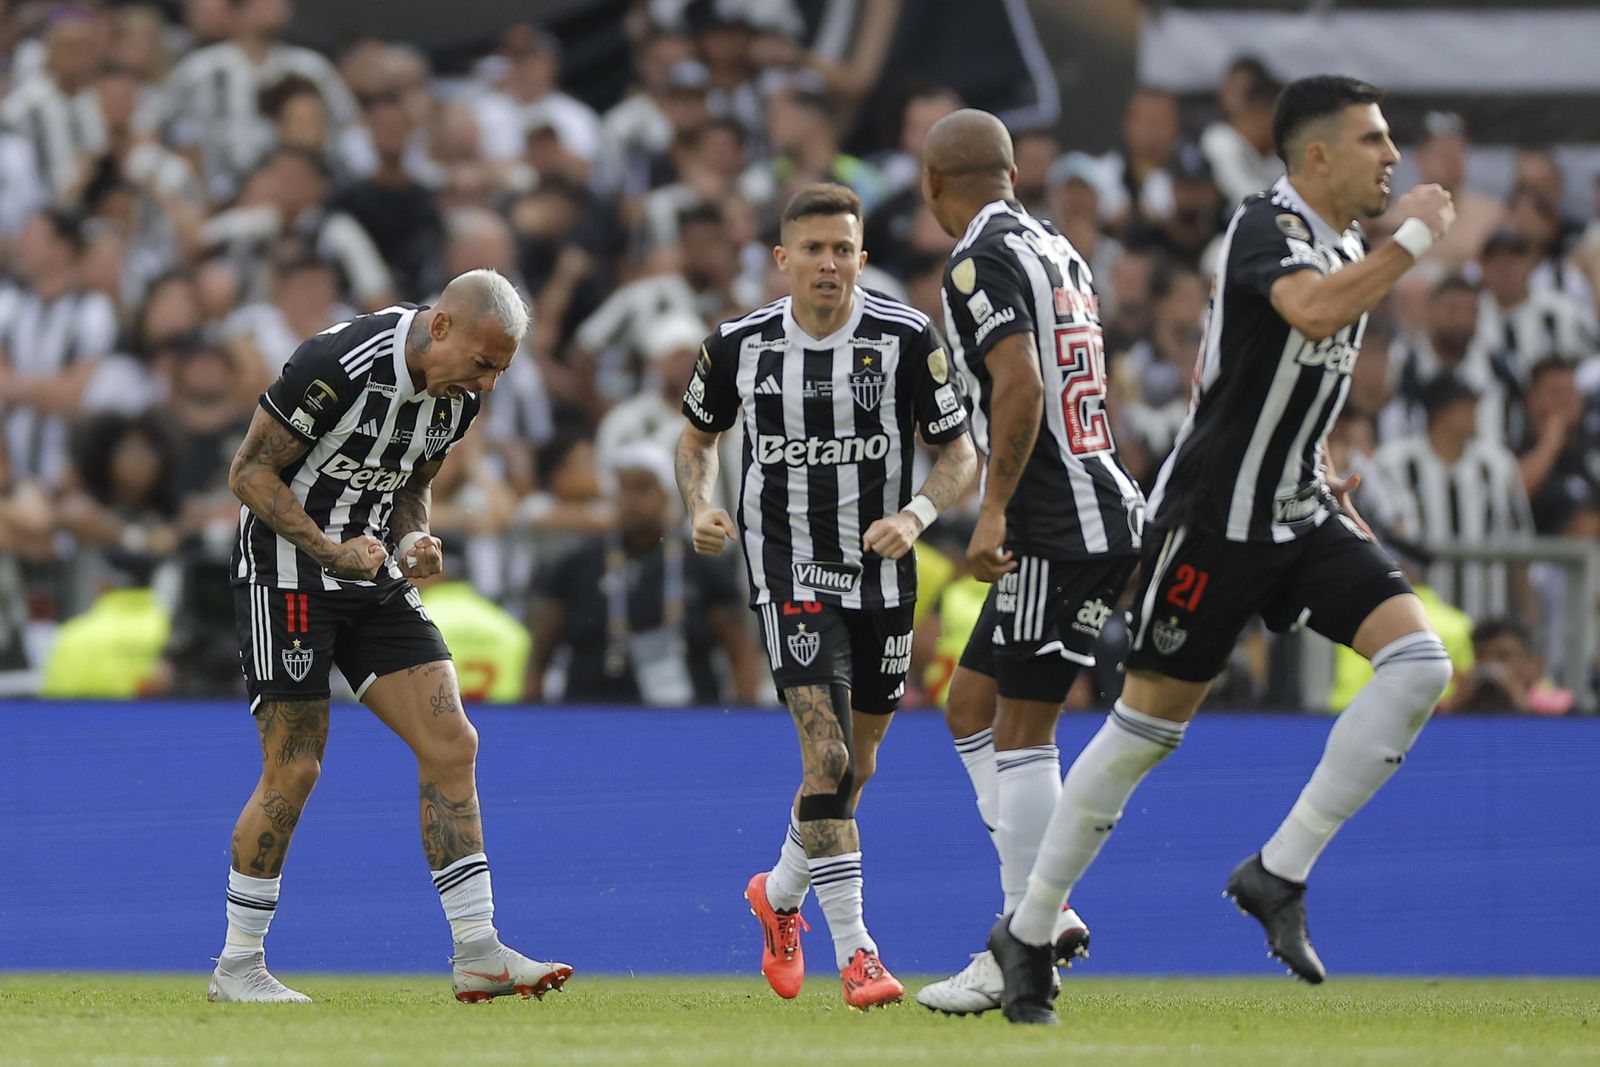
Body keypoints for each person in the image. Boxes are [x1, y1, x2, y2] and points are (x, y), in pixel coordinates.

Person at [982, 76, 1459, 1025]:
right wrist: (1413, 238)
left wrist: (1323, 468)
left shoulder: (1348, 247)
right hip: (1211, 523)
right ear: (1317, 154)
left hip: (1299, 511)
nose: (1392, 157)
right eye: (1373, 139)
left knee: (1419, 663)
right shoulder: (1263, 226)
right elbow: (1311, 314)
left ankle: (1279, 870)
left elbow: (1289, 377)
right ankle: (1027, 931)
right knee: (1142, 735)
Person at [211, 269, 572, 1004]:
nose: (488, 383)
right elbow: (248, 472)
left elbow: (410, 480)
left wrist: (413, 538)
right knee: (295, 769)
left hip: (369, 572)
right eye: (484, 363)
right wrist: (328, 549)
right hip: (288, 574)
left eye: (500, 371)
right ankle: (238, 966)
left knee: (453, 742)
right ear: (440, 327)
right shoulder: (338, 363)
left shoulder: (458, 397)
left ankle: (478, 951)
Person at [675, 182, 977, 1009]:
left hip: (883, 575)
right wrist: (698, 504)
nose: (828, 263)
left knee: (857, 765)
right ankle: (858, 953)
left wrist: (915, 516)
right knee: (830, 758)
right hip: (790, 571)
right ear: (783, 259)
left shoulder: (905, 338)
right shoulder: (737, 345)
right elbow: (697, 438)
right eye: (813, 249)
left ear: (862, 258)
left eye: (843, 248)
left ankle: (778, 894)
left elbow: (959, 452)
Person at [911, 110, 1145, 1017]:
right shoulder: (1058, 248)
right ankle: (1046, 909)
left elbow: (1021, 385)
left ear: (934, 183)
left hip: (1056, 520)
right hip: (1099, 499)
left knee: (1022, 729)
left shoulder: (976, 261)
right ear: (1011, 172)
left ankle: (1025, 942)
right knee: (970, 705)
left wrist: (996, 508)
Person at [526, 441, 757, 707]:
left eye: (643, 487)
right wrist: (534, 718)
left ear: (667, 495)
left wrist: (743, 719)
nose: (632, 499)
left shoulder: (703, 566)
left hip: (686, 720)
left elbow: (741, 654)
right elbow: (538, 657)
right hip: (591, 716)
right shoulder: (575, 565)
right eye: (624, 488)